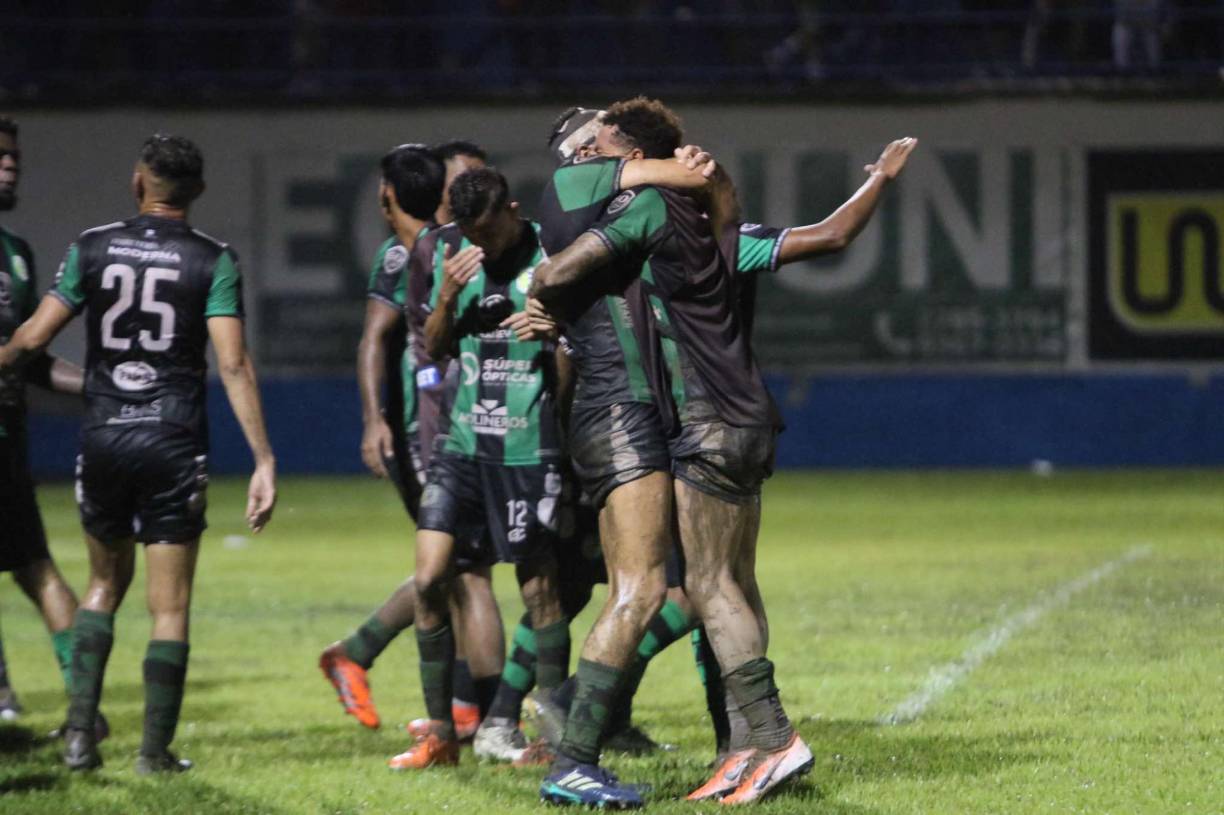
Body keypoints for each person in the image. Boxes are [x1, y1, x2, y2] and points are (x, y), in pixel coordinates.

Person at [0, 133, 277, 774]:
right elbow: (232, 364)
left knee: (101, 586)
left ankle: (77, 735)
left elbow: (31, 339)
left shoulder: (92, 246)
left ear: (137, 181)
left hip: (102, 437)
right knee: (170, 607)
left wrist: (6, 360)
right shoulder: (214, 259)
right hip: (172, 439)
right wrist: (263, 458)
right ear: (197, 192)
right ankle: (153, 752)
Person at [319, 143, 506, 738]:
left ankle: (375, 662)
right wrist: (376, 420)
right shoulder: (405, 258)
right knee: (466, 572)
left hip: (471, 425)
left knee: (453, 571)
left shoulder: (464, 252)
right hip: (427, 436)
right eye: (459, 179)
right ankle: (488, 716)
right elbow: (375, 340)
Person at [388, 167, 571, 770]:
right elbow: (434, 349)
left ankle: (552, 736)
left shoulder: (554, 252)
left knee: (540, 591)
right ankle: (441, 734)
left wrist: (558, 334)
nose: (484, 246)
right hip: (463, 443)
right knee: (428, 580)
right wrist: (444, 297)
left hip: (527, 446)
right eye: (474, 234)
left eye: (491, 233)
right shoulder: (453, 256)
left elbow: (587, 346)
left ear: (513, 210)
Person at [0, 114, 90, 725]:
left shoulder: (17, 256)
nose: (10, 169)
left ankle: (84, 708)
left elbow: (30, 359)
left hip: (6, 440)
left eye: (15, 160)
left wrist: (97, 386)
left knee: (37, 568)